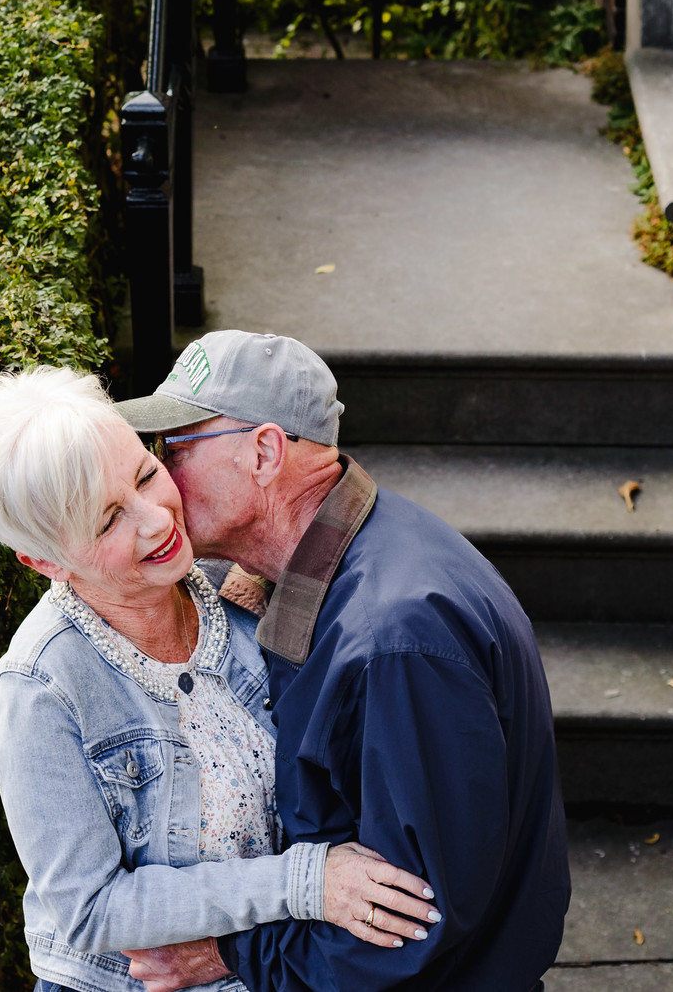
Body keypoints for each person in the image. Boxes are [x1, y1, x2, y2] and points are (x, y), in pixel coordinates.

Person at [0, 367, 441, 992]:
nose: (155, 520)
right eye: (107, 522)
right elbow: (90, 910)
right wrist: (304, 882)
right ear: (43, 560)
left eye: (146, 475)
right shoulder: (40, 689)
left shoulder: (237, 588)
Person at [114, 331, 571, 992]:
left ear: (265, 451)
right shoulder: (355, 555)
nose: (160, 481)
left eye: (175, 448)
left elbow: (413, 923)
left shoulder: (395, 641)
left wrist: (229, 955)